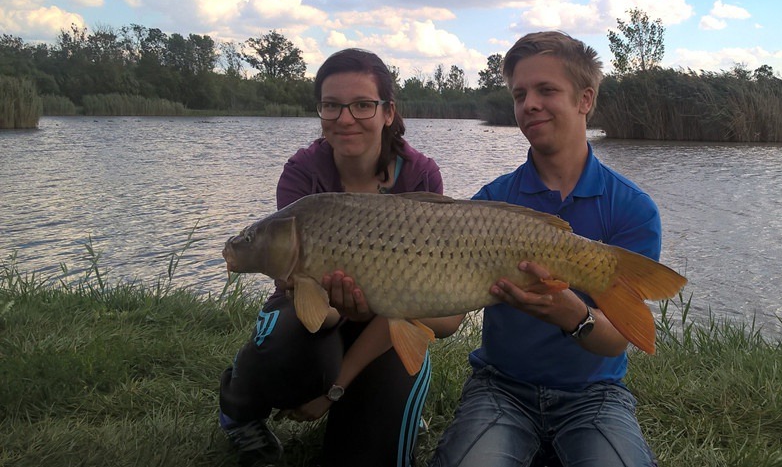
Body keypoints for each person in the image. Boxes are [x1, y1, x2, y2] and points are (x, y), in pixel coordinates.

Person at [219, 48, 462, 467]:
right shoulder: (303, 172)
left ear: (388, 112)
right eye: (331, 105)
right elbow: (315, 312)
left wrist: (337, 389)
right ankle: (240, 407)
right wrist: (334, 306)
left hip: (389, 320)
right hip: (315, 314)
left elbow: (415, 304)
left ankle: (362, 402)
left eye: (362, 105)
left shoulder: (421, 173)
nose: (344, 118)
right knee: (286, 339)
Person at [429, 31, 662, 467]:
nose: (529, 104)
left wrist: (570, 315)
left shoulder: (631, 208)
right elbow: (446, 320)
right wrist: (386, 297)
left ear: (584, 99)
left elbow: (617, 340)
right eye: (519, 94)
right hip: (501, 387)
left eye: (546, 90)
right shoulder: (488, 205)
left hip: (593, 395)